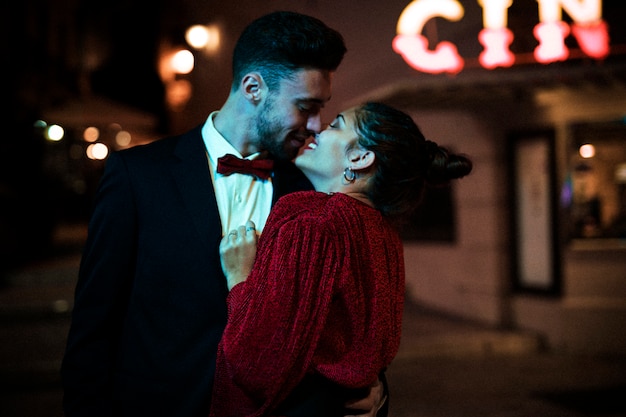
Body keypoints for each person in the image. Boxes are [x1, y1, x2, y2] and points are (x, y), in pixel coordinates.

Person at [61, 11, 385, 417]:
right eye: (306, 106)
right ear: (253, 87)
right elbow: (94, 327)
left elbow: (350, 319)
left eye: (321, 109)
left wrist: (375, 391)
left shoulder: (313, 187)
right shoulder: (138, 176)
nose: (316, 125)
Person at [210, 102, 473, 416]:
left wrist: (239, 277)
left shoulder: (312, 225)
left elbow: (254, 364)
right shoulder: (384, 236)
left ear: (360, 157)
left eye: (335, 125)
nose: (317, 130)